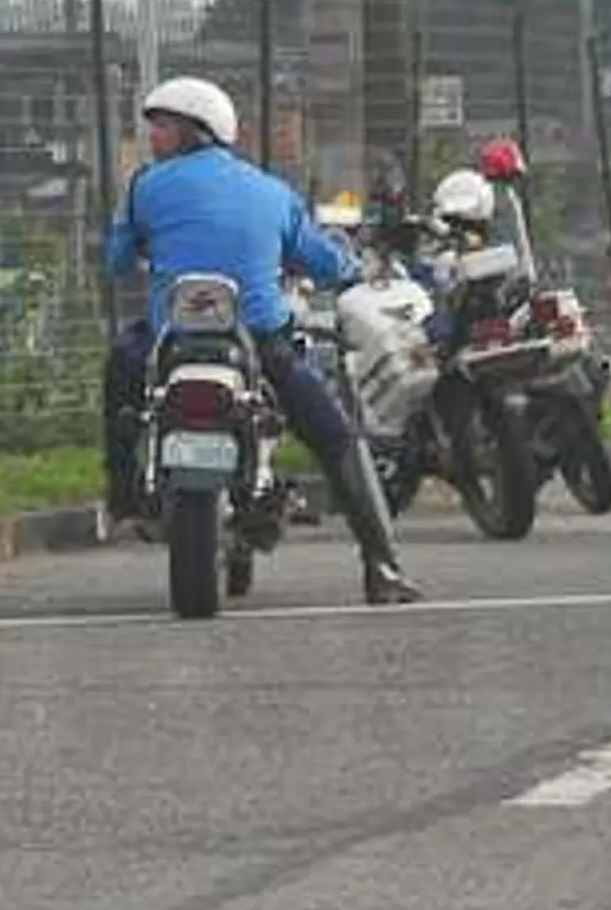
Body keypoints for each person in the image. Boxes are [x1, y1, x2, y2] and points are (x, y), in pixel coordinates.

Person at [99, 76, 422, 606]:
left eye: (164, 127)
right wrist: (348, 264)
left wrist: (146, 246)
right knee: (338, 438)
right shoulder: (272, 192)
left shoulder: (144, 187)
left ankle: (122, 497)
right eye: (153, 126)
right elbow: (326, 262)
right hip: (261, 342)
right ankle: (382, 566)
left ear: (198, 131)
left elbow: (115, 261)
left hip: (170, 340)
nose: (153, 137)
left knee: (121, 375)